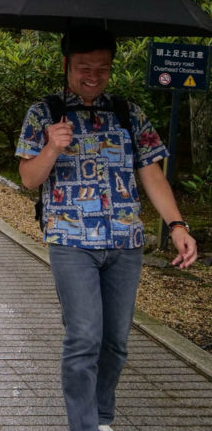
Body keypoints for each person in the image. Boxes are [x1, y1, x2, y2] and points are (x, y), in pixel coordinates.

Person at [16, 27, 198, 431]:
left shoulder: (127, 113)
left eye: (103, 68)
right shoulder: (43, 114)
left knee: (114, 342)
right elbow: (29, 179)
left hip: (125, 243)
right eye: (84, 67)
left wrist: (177, 225)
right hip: (71, 241)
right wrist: (50, 148)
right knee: (83, 337)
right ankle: (83, 426)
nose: (94, 76)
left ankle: (100, 419)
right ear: (66, 65)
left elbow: (151, 173)